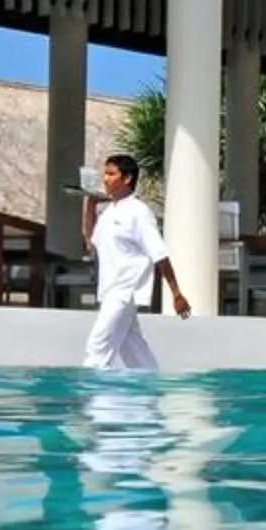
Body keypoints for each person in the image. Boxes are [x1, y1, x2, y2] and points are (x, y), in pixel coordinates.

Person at [82, 155, 190, 369]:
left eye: (111, 174)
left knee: (97, 348)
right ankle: (152, 391)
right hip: (109, 290)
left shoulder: (138, 212)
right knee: (133, 349)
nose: (105, 179)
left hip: (125, 291)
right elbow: (89, 241)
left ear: (127, 178)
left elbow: (159, 254)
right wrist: (90, 204)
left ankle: (91, 398)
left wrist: (176, 293)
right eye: (105, 174)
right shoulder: (108, 212)